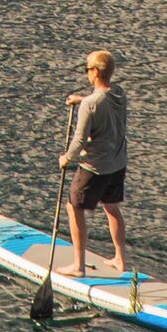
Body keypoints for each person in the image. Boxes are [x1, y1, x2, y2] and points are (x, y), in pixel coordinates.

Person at [58, 48, 130, 277]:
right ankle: (120, 258)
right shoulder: (119, 93)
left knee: (74, 207)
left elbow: (79, 140)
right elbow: (101, 101)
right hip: (117, 163)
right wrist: (81, 100)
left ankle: (78, 266)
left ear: (96, 72)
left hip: (95, 167)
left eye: (88, 69)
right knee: (111, 208)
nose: (86, 73)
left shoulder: (90, 105)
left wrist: (66, 158)